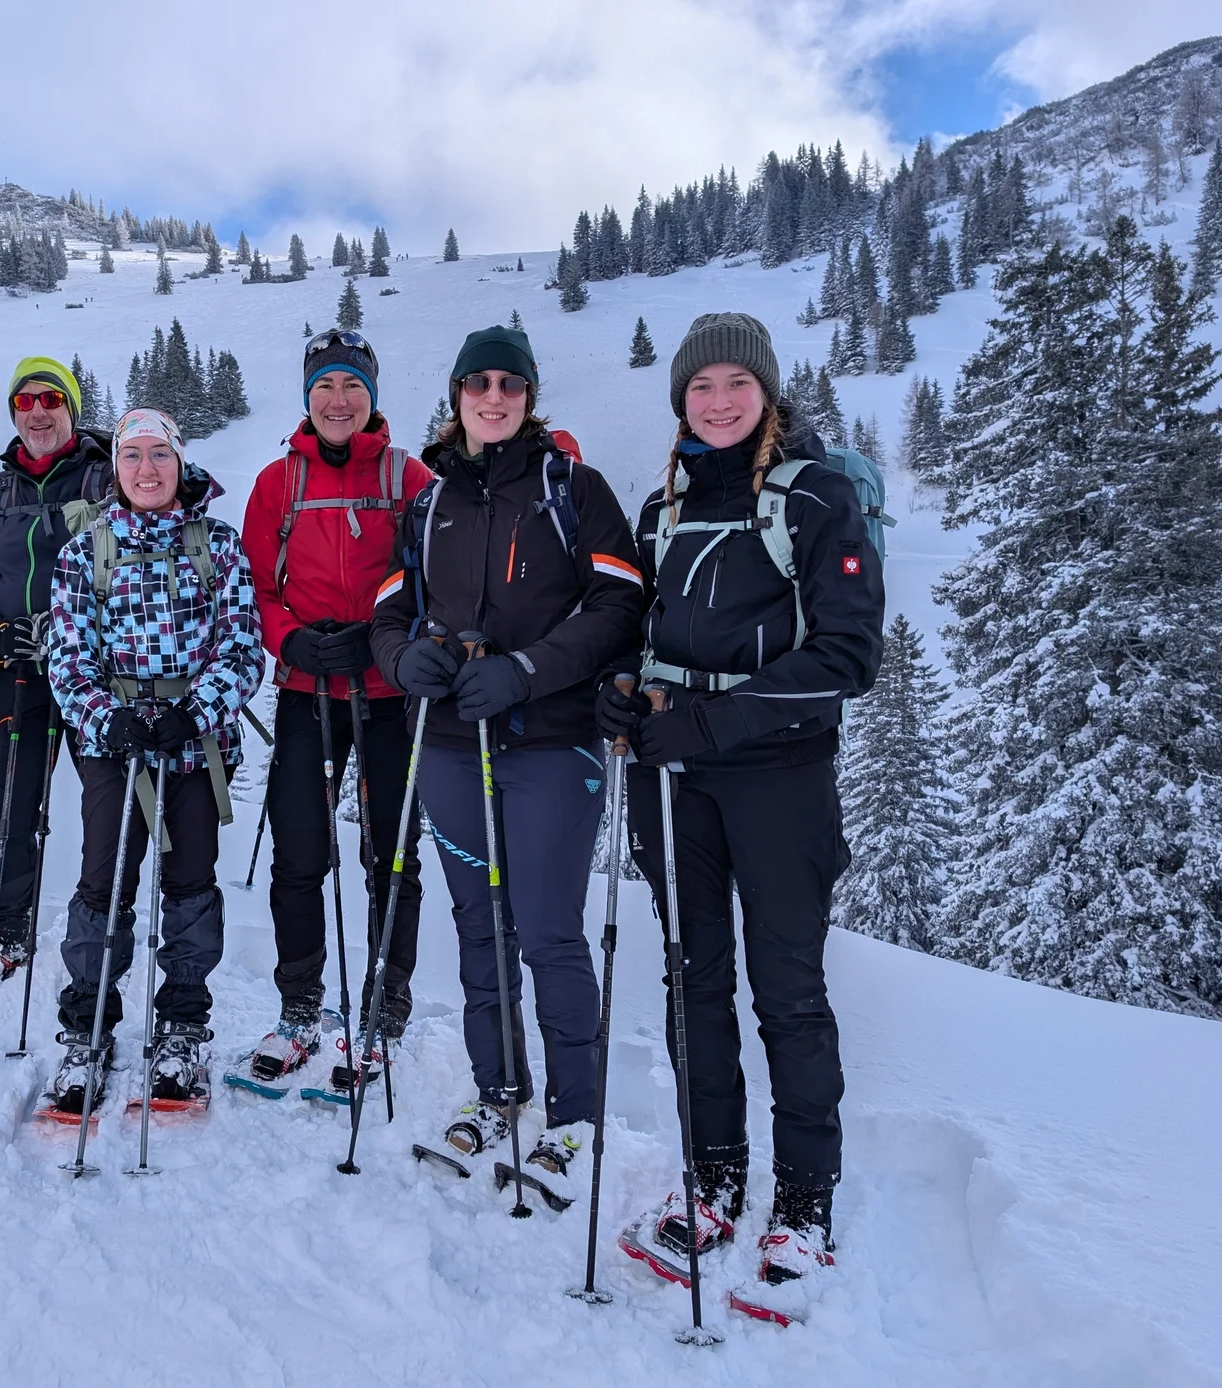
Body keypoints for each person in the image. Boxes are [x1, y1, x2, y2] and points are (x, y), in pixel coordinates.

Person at [601, 312, 883, 1305]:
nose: (718, 402)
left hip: (777, 778)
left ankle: (804, 1198)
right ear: (679, 399)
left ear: (767, 391)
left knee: (788, 990)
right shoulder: (661, 509)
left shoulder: (817, 499)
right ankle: (712, 1176)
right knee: (693, 980)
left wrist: (711, 725)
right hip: (673, 777)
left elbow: (850, 655)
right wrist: (622, 688)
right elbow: (640, 630)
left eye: (736, 383)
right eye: (700, 386)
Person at [370, 325, 644, 1187]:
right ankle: (497, 1092)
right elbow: (389, 607)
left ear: (529, 396)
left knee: (552, 933)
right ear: (455, 395)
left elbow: (620, 602)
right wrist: (401, 658)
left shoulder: (573, 489)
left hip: (551, 746)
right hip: (451, 744)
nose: (494, 397)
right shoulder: (428, 504)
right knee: (479, 927)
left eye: (510, 384)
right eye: (478, 382)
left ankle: (574, 1120)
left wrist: (528, 672)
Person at [42, 408, 262, 1110]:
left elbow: (243, 647)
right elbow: (67, 655)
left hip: (195, 741)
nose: (145, 469)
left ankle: (182, 1024)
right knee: (104, 880)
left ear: (179, 461)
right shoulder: (87, 550)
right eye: (132, 455)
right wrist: (109, 721)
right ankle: (87, 1028)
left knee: (191, 882)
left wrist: (193, 713)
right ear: (116, 468)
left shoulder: (218, 547)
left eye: (158, 455)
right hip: (115, 744)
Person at [238, 329, 433, 1088]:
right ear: (307, 396)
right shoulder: (277, 483)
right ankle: (299, 1007)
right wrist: (291, 642)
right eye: (325, 386)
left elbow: (433, 580)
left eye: (352, 385)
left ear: (372, 397)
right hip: (307, 693)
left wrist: (385, 641)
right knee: (299, 851)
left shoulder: (405, 476)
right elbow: (255, 589)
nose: (339, 400)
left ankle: (385, 1007)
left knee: (390, 854)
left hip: (386, 695)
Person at [0, 357, 111, 989]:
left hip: (99, 674)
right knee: (10, 802)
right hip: (21, 671)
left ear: (71, 407)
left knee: (106, 804)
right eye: (25, 401)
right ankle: (7, 931)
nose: (38, 411)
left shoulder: (107, 476)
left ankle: (99, 928)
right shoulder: (2, 492)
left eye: (51, 398)